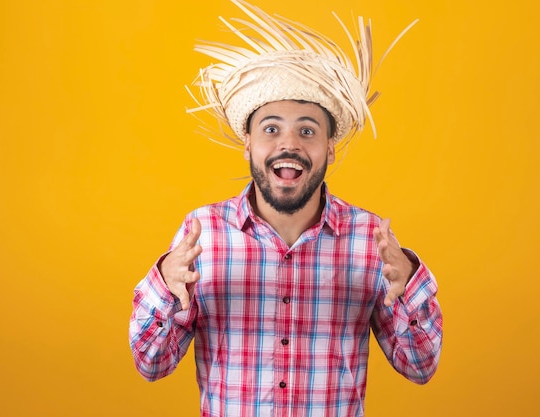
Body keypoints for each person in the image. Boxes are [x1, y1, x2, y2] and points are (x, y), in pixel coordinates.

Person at [129, 1, 443, 415]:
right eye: (271, 128)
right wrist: (165, 288)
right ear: (249, 144)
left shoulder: (370, 240)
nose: (288, 144)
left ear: (330, 147)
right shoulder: (202, 233)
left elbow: (419, 367)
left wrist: (409, 287)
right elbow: (152, 364)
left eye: (307, 130)